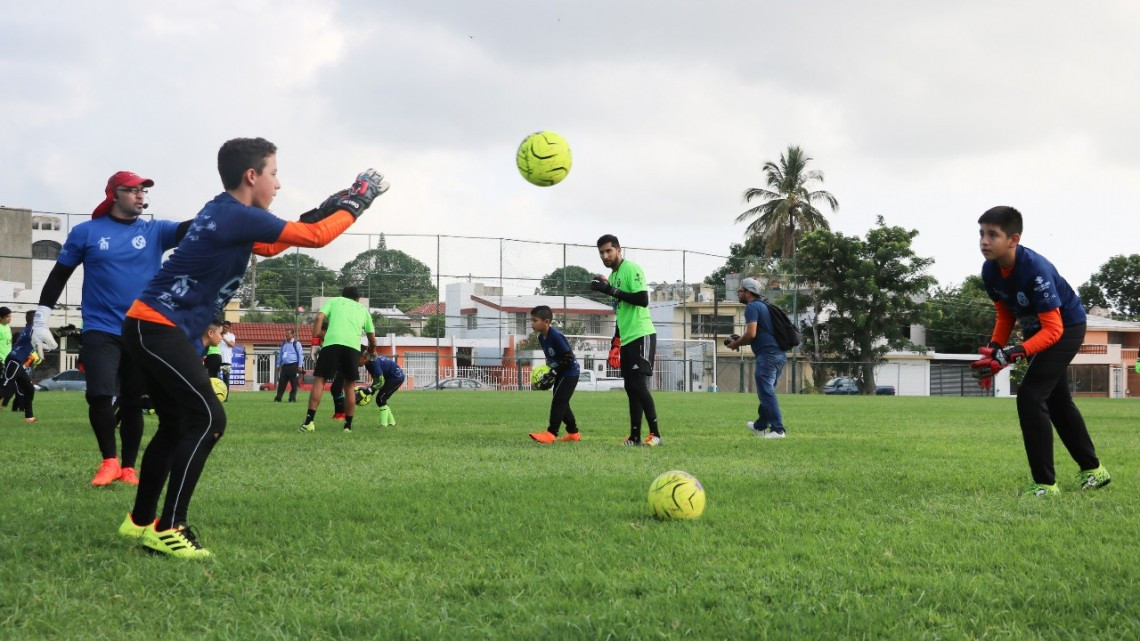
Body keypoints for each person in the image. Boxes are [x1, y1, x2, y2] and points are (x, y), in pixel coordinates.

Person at [117, 136, 388, 558]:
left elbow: (274, 243)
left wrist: (334, 202)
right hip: (157, 327)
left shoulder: (224, 211)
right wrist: (360, 200)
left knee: (175, 425)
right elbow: (315, 237)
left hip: (147, 325)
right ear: (251, 175)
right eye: (274, 173)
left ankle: (138, 522)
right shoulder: (236, 215)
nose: (277, 184)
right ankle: (169, 527)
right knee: (209, 420)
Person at [31, 171, 189, 486]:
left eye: (143, 190)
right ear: (114, 194)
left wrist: (226, 210)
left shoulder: (156, 231)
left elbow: (190, 229)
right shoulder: (87, 232)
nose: (141, 195)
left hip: (140, 330)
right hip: (100, 328)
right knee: (100, 394)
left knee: (132, 400)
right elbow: (59, 275)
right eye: (133, 190)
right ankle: (109, 461)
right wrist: (40, 317)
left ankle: (129, 467)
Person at [971, 205, 1110, 497]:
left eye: (993, 234)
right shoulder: (990, 270)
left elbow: (1054, 330)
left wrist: (1010, 354)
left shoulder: (1035, 270)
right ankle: (1094, 471)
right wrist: (994, 349)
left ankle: (1046, 485)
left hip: (1066, 327)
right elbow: (1006, 314)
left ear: (1013, 239)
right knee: (1057, 403)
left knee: (1031, 396)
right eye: (981, 233)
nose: (984, 241)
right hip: (1040, 332)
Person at [589, 234, 662, 446]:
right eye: (601, 252)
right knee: (630, 387)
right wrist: (615, 343)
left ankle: (656, 434)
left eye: (608, 251)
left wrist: (610, 290)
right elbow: (620, 314)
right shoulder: (612, 277)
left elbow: (642, 299)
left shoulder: (631, 269)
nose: (605, 255)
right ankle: (635, 436)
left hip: (642, 333)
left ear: (619, 250)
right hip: (628, 338)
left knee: (639, 385)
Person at [299, 286, 376, 433]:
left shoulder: (334, 301)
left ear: (342, 295)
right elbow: (372, 339)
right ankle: (347, 426)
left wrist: (315, 344)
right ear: (358, 299)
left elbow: (319, 318)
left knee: (320, 381)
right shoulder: (363, 310)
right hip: (352, 347)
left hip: (331, 344)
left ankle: (309, 422)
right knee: (349, 386)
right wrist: (371, 351)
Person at [724, 278, 787, 438]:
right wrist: (739, 340)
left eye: (740, 291)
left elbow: (751, 333)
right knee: (767, 392)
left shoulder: (752, 307)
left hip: (768, 356)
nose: (738, 293)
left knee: (766, 392)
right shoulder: (764, 306)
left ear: (748, 292)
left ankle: (778, 430)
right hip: (779, 355)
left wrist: (736, 343)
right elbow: (758, 334)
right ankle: (760, 426)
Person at [527, 305, 581, 444]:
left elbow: (568, 357)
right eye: (531, 320)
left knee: (559, 401)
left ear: (546, 322)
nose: (531, 323)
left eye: (535, 320)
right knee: (562, 402)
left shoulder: (556, 336)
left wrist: (555, 371)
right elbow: (553, 358)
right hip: (561, 373)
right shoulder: (541, 338)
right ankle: (573, 433)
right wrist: (548, 372)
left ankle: (551, 434)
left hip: (570, 372)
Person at [2, 310, 39, 422]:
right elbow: (47, 344)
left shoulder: (29, 329)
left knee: (29, 389)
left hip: (17, 361)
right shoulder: (32, 331)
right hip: (14, 360)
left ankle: (29, 417)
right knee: (6, 386)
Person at [356, 348, 405, 426]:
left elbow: (381, 381)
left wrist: (370, 390)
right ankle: (392, 423)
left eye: (357, 359)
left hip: (396, 378)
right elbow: (376, 379)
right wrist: (372, 390)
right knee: (382, 399)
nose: (355, 361)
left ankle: (383, 425)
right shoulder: (368, 363)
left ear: (365, 358)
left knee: (380, 399)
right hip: (390, 377)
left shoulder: (373, 364)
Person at [274, 328, 304, 402]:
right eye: (286, 333)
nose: (286, 334)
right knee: (281, 383)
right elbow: (280, 355)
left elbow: (300, 355)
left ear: (293, 334)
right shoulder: (283, 344)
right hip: (285, 366)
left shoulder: (296, 344)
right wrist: (278, 365)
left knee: (294, 383)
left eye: (288, 333)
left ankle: (292, 399)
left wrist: (300, 366)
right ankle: (278, 398)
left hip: (293, 365)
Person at [218, 320, 236, 389]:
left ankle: (226, 396)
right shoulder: (217, 334)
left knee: (226, 378)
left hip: (226, 361)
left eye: (227, 327)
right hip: (218, 359)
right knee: (216, 378)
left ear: (229, 328)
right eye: (224, 326)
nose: (225, 328)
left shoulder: (231, 336)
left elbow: (232, 345)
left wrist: (223, 338)